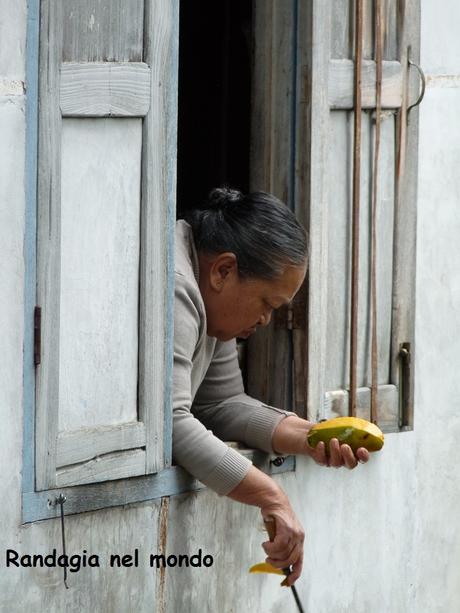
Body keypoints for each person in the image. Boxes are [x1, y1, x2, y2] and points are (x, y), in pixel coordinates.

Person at [173, 187, 370, 585]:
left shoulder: (214, 304)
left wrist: (308, 436)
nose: (265, 320)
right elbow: (172, 422)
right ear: (223, 270)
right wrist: (270, 495)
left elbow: (221, 403)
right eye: (266, 303)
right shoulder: (177, 287)